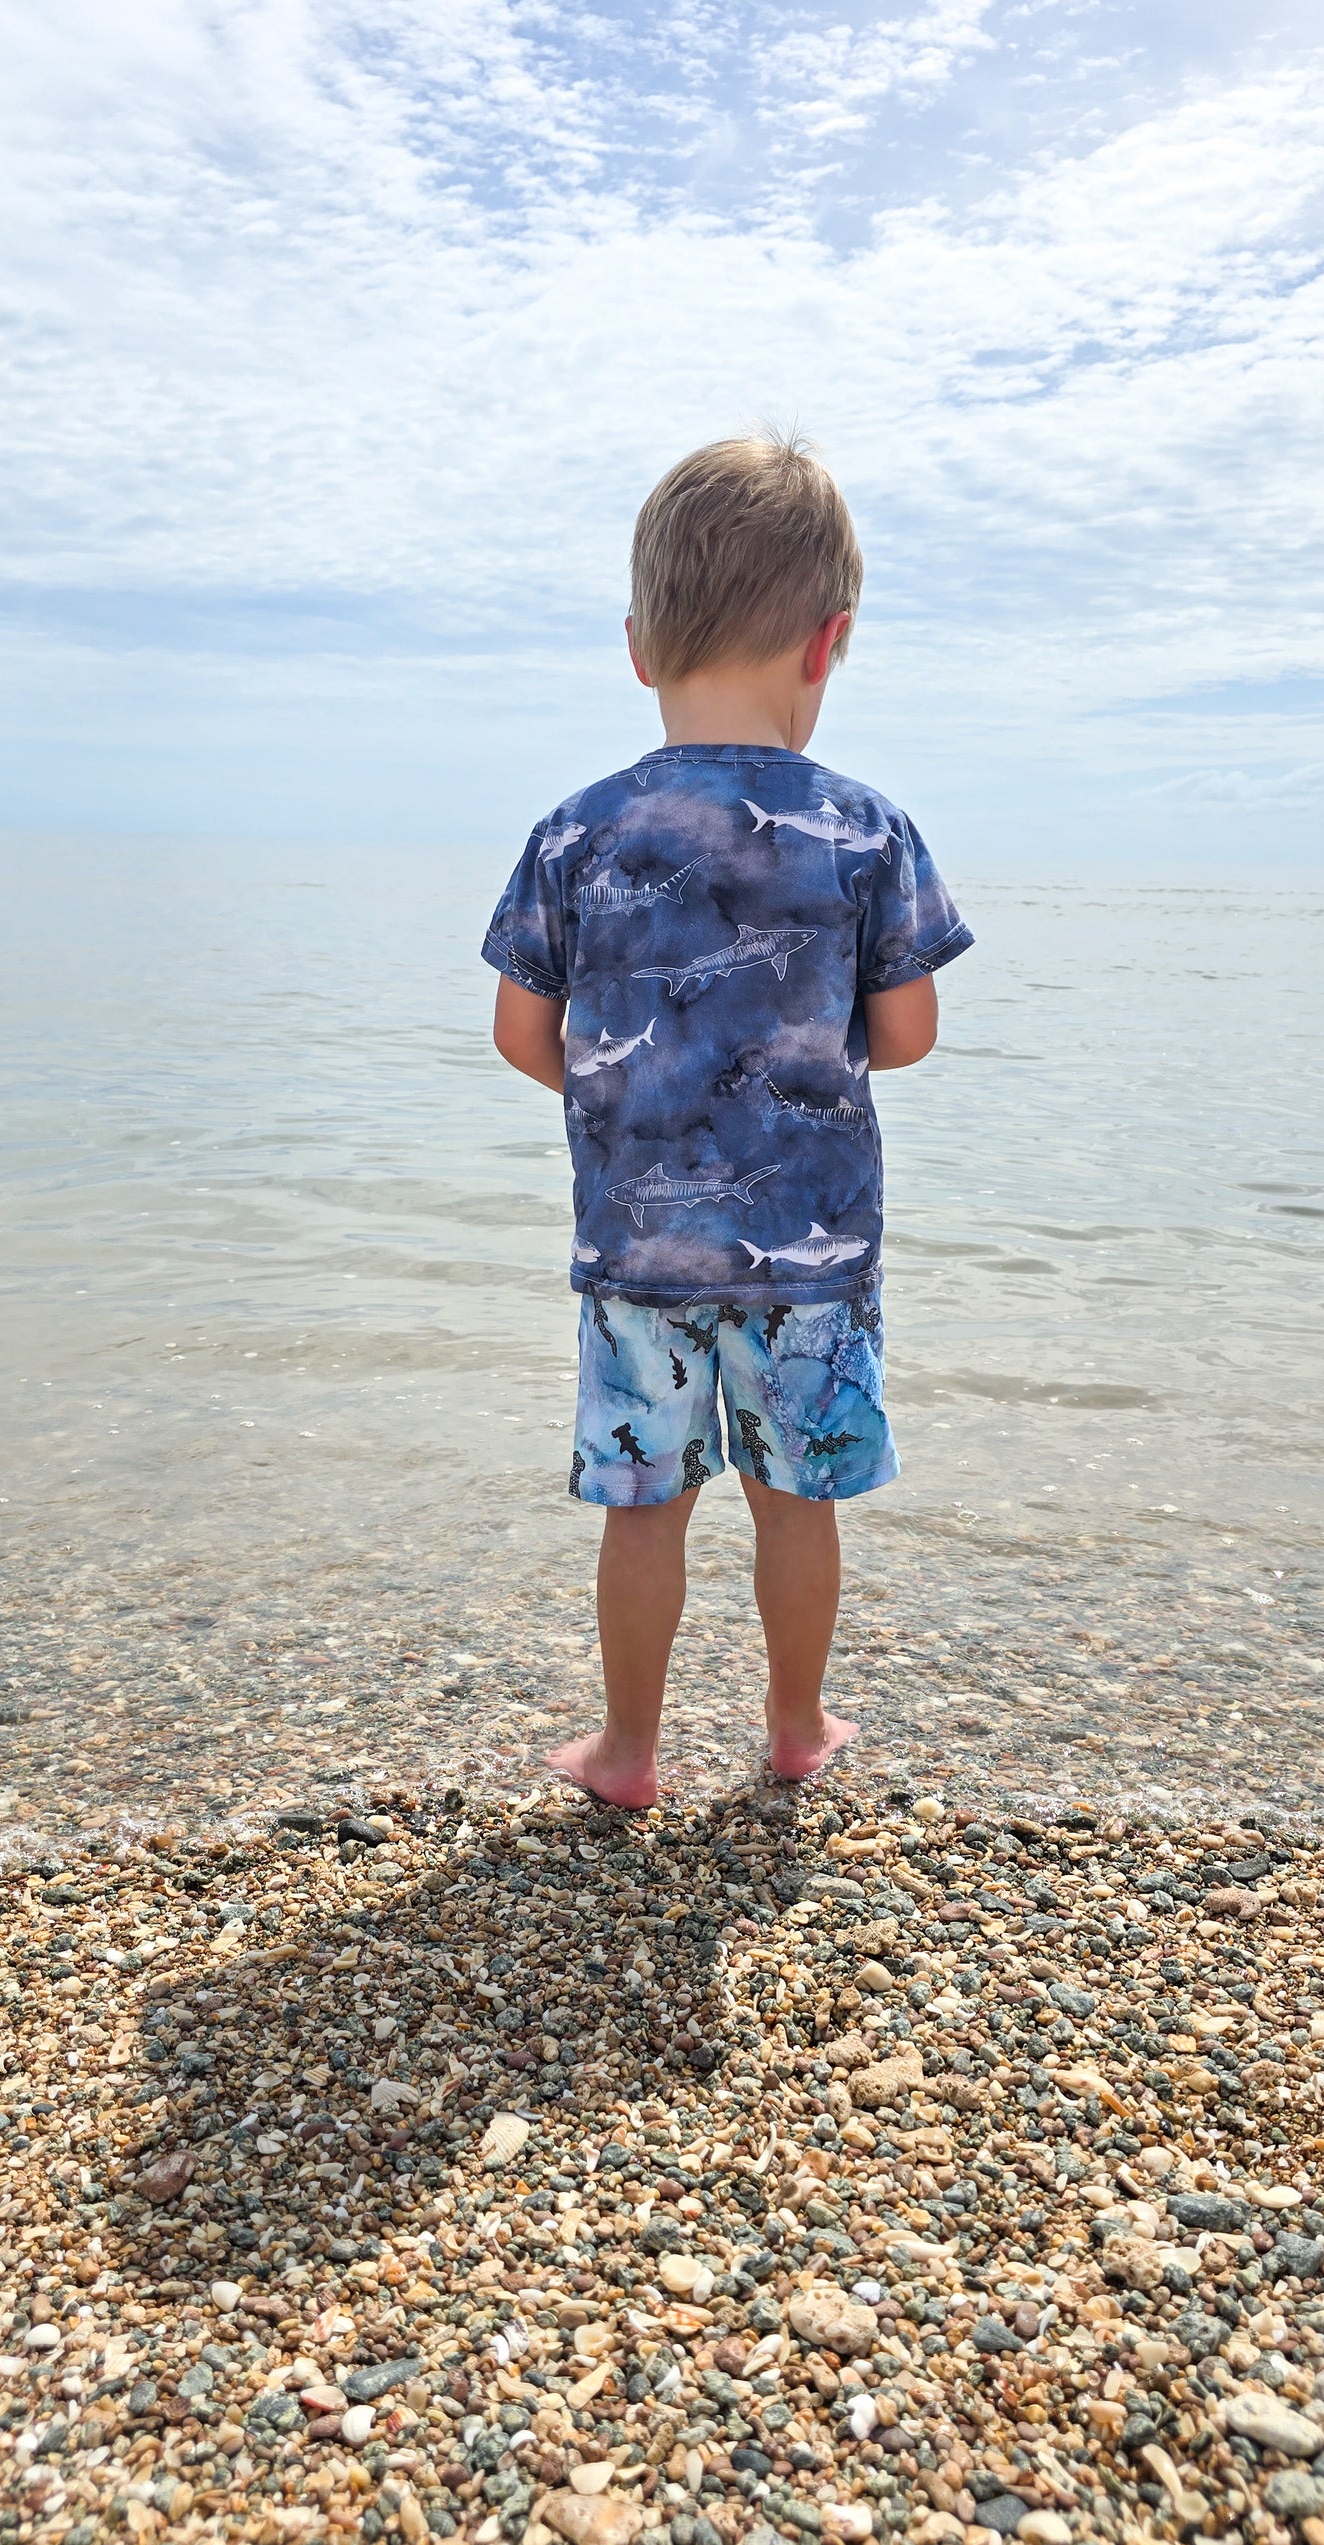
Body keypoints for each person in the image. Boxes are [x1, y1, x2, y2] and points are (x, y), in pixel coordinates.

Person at [482, 432, 973, 1806]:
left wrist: (636, 1106)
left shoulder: (575, 833)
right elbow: (910, 1036)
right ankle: (795, 1727)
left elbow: (526, 1035)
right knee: (792, 1496)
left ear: (639, 648)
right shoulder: (866, 830)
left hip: (639, 1254)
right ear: (828, 643)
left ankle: (626, 1753)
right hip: (810, 1257)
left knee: (643, 1504)